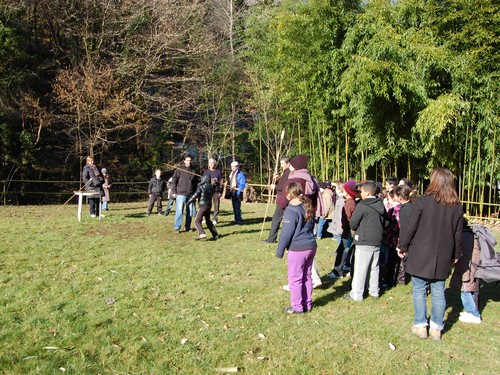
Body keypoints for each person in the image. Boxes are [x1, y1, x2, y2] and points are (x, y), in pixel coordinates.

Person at [398, 167, 463, 341]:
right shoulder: (456, 206)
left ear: (434, 181)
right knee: (438, 291)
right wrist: (456, 254)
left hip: (421, 253)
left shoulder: (423, 201)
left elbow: (410, 227)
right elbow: (458, 234)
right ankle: (436, 328)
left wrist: (402, 245)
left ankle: (421, 326)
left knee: (419, 289)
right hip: (443, 254)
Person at [276, 182, 317, 314]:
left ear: (288, 194)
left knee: (295, 279)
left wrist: (279, 250)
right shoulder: (307, 205)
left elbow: (286, 233)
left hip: (298, 248)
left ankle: (297, 307)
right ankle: (307, 304)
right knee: (307, 276)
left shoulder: (291, 210)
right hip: (311, 245)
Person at [344, 181, 386, 301]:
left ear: (367, 193)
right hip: (378, 240)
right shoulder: (380, 204)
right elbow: (386, 222)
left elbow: (353, 223)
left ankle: (356, 294)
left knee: (360, 269)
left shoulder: (362, 205)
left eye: (361, 192)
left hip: (364, 240)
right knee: (374, 267)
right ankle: (374, 291)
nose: (360, 194)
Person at [449, 222, 481, 324]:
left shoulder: (466, 235)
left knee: (465, 289)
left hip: (468, 266)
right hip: (471, 265)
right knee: (468, 288)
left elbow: (466, 255)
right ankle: (471, 311)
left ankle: (474, 314)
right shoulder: (469, 234)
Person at [327, 180, 357, 279]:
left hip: (348, 232)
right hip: (347, 231)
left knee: (343, 251)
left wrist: (345, 229)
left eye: (344, 191)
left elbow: (349, 219)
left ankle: (338, 271)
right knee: (343, 250)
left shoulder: (349, 204)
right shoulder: (350, 202)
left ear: (348, 193)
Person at [263, 157, 291, 243]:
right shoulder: (285, 172)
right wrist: (278, 179)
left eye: (283, 164)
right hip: (282, 198)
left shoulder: (289, 173)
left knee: (277, 218)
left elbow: (284, 186)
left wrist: (275, 187)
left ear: (288, 163)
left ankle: (272, 238)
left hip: (284, 199)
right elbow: (282, 183)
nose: (281, 166)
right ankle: (273, 238)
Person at [186, 174, 219, 240]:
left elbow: (195, 195)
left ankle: (201, 233)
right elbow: (216, 186)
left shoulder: (201, 187)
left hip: (202, 206)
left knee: (197, 221)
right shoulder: (212, 187)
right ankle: (215, 235)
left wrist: (188, 202)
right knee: (208, 221)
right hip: (208, 206)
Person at [171, 155, 198, 232]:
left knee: (190, 212)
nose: (189, 162)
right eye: (187, 160)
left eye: (190, 160)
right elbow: (174, 180)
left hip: (191, 194)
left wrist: (195, 194)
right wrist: (174, 191)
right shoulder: (179, 169)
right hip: (181, 193)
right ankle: (177, 227)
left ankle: (187, 227)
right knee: (179, 211)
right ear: (184, 161)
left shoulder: (193, 170)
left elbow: (195, 183)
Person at [204, 158, 223, 224]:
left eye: (213, 163)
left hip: (216, 191)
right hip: (208, 191)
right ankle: (206, 218)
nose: (211, 164)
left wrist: (220, 191)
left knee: (216, 205)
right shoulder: (206, 172)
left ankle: (215, 219)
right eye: (210, 163)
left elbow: (221, 182)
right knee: (206, 205)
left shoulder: (218, 171)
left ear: (215, 164)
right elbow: (203, 182)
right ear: (209, 164)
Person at [228, 161, 246, 225]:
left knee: (237, 207)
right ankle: (236, 219)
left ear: (237, 167)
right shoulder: (232, 173)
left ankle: (239, 220)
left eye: (234, 166)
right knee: (234, 207)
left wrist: (238, 193)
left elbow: (242, 185)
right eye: (232, 166)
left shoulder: (240, 174)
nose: (232, 168)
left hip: (237, 192)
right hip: (232, 191)